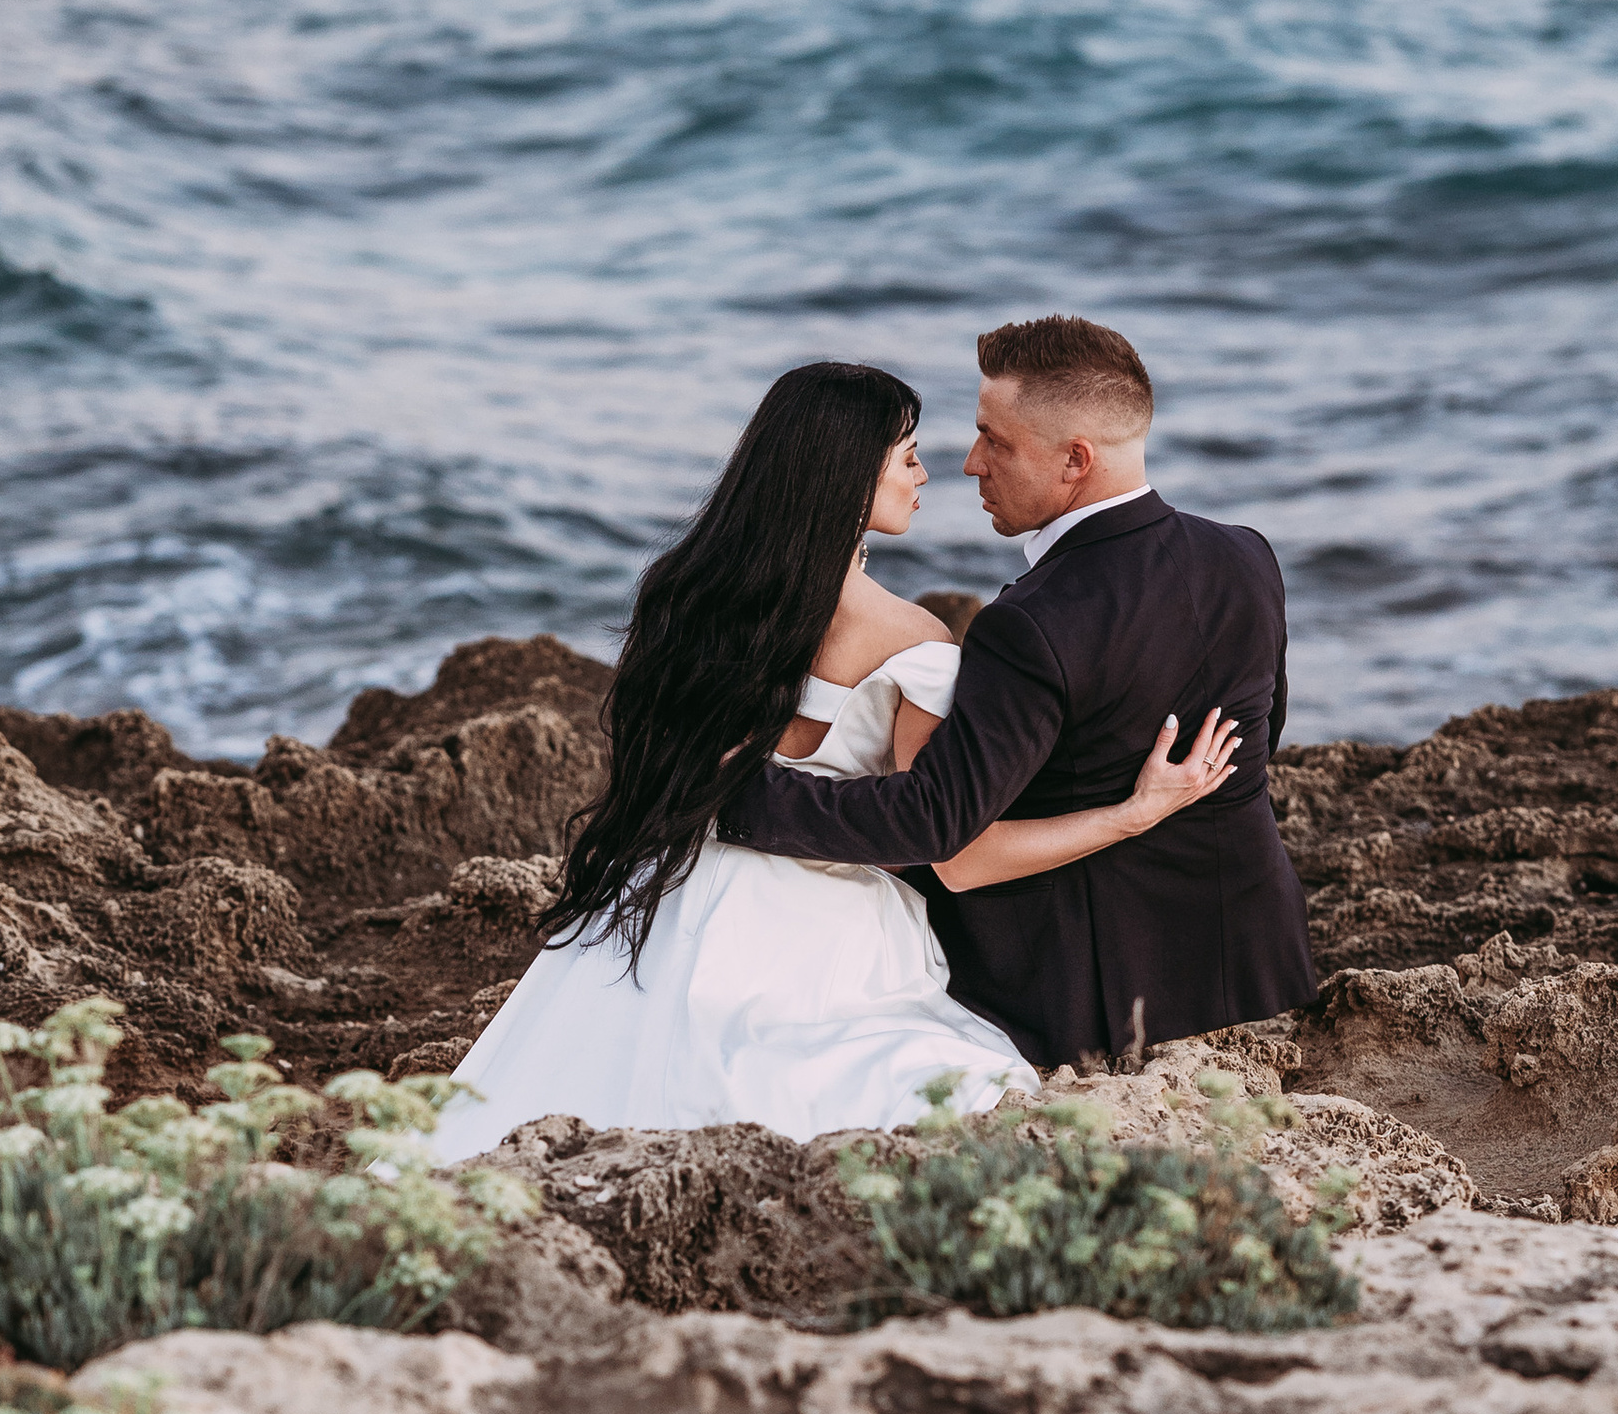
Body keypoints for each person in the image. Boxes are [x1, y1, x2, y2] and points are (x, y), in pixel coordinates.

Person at [428, 361, 1239, 1156]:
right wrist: (1135, 812)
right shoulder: (911, 638)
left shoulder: (691, 593)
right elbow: (953, 849)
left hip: (670, 884)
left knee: (583, 1064)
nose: (935, 471)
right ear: (852, 477)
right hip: (822, 919)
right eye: (909, 455)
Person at [716, 316, 1314, 1071]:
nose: (971, 464)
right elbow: (1262, 738)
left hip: (1095, 994)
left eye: (994, 441)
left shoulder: (1030, 624)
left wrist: (737, 795)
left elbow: (938, 823)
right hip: (1260, 960)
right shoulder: (1246, 555)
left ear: (1075, 460)